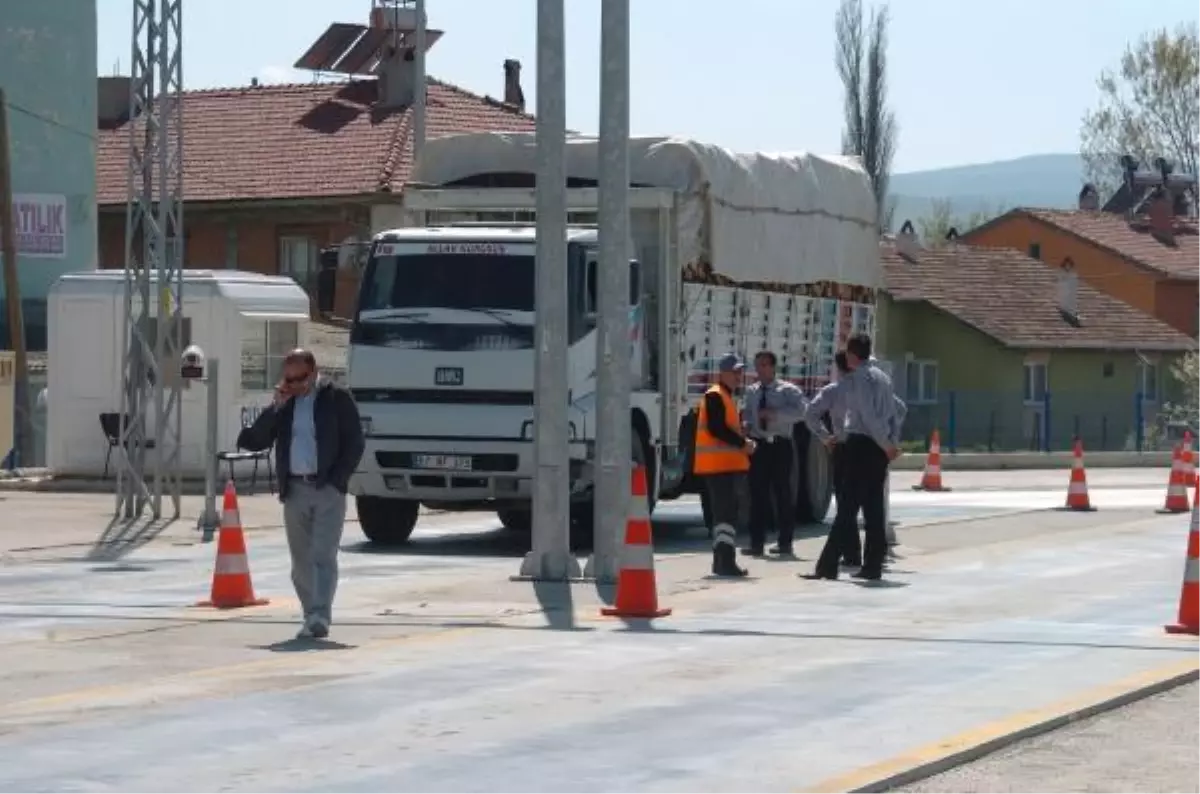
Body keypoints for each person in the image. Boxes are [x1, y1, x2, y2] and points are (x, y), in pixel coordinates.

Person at [237, 348, 365, 639]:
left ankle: (320, 614)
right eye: (289, 380)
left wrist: (337, 480)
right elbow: (256, 441)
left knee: (322, 554)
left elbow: (355, 442)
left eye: (299, 379)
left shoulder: (336, 398)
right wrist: (276, 407)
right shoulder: (287, 404)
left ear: (313, 371)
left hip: (327, 489)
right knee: (300, 561)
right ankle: (310, 613)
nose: (294, 385)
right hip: (294, 488)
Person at [804, 334, 902, 581]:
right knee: (874, 510)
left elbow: (868, 416)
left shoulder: (859, 378)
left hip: (861, 444)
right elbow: (894, 413)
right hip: (877, 449)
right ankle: (872, 566)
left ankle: (827, 566)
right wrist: (890, 443)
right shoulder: (883, 377)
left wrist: (885, 444)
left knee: (847, 509)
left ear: (851, 355)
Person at [694, 353, 756, 577]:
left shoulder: (726, 396)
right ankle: (726, 562)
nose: (739, 376)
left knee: (725, 516)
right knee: (725, 516)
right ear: (724, 373)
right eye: (735, 372)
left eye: (740, 371)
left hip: (724, 466)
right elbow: (717, 428)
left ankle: (721, 561)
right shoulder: (715, 395)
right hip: (718, 467)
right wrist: (743, 443)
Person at [741, 350, 808, 557]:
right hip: (759, 446)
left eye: (763, 365)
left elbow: (802, 412)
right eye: (757, 365)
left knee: (782, 494)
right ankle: (756, 542)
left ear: (772, 367)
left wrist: (775, 414)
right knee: (757, 494)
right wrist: (746, 425)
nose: (759, 369)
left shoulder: (787, 391)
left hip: (780, 445)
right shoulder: (752, 391)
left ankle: (785, 542)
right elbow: (748, 413)